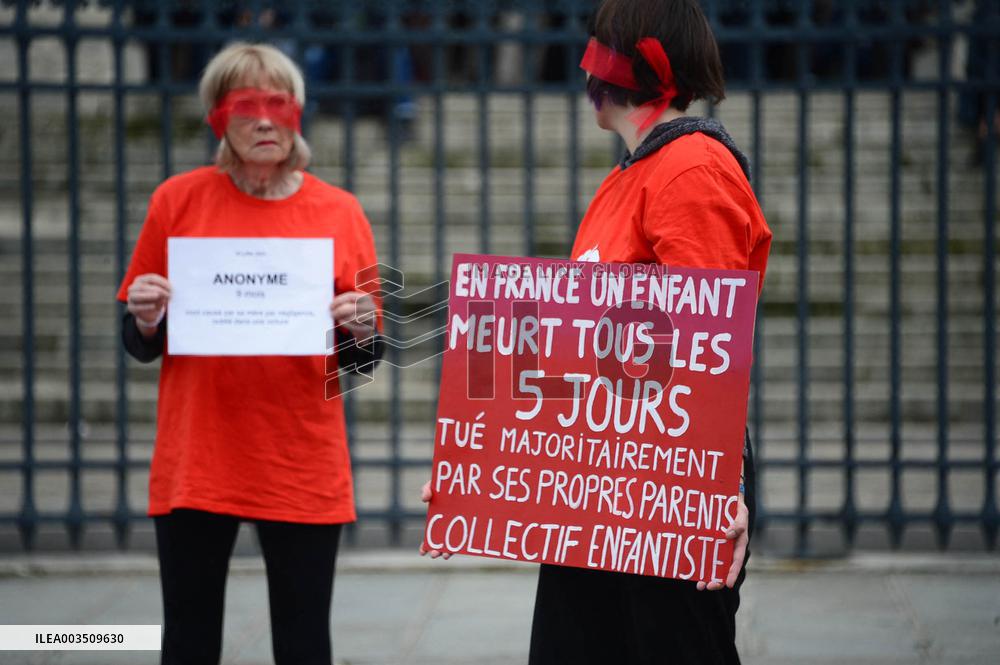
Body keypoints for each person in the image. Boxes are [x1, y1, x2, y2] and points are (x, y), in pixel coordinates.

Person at [422, 1, 771, 664]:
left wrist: (720, 490)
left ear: (637, 64)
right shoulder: (630, 176)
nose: (584, 68)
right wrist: (481, 468)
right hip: (607, 486)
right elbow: (582, 352)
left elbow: (705, 347)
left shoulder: (691, 170)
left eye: (598, 50)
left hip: (665, 492)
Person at [117, 42, 383, 665]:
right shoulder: (176, 202)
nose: (264, 119)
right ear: (217, 118)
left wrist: (363, 330)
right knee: (187, 638)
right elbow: (136, 342)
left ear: (297, 113)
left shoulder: (340, 211)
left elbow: (365, 361)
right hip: (199, 455)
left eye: (278, 102)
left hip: (300, 457)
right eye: (245, 105)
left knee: (303, 641)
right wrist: (147, 317)